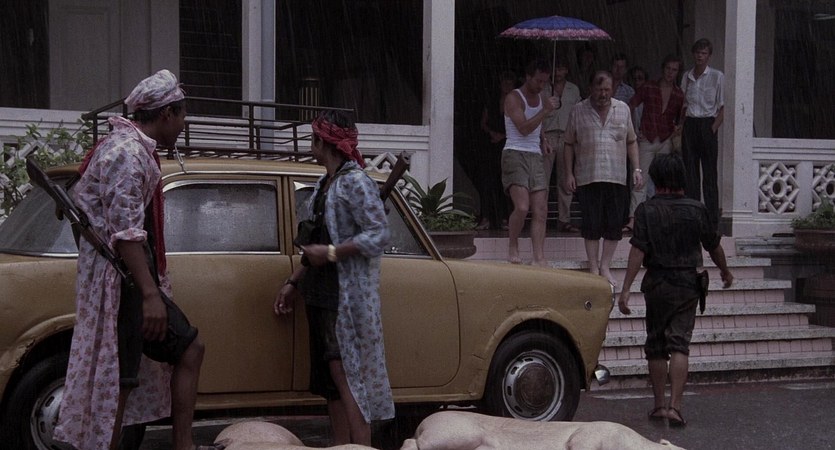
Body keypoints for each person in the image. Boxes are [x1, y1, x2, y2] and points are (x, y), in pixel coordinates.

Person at [54, 70, 219, 450]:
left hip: (131, 278)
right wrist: (149, 296)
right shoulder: (126, 154)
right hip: (121, 284)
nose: (183, 124)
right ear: (167, 113)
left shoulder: (131, 148)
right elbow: (126, 232)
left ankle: (183, 445)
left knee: (183, 350)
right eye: (182, 115)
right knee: (119, 382)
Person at [274, 110, 394, 446]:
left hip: (343, 297)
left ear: (322, 142)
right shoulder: (325, 183)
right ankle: (343, 445)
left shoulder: (355, 182)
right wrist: (294, 281)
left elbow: (379, 235)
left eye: (313, 138)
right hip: (319, 292)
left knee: (347, 377)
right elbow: (315, 241)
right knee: (331, 381)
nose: (310, 145)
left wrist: (331, 253)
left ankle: (361, 445)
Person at [617, 153, 733, 427]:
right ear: (682, 178)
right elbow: (713, 245)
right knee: (680, 343)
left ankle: (658, 406)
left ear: (655, 179)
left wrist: (626, 289)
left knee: (657, 345)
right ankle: (675, 408)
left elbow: (637, 250)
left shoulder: (645, 211)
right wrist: (725, 271)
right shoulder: (697, 209)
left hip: (657, 283)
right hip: (687, 284)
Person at [564, 71, 642, 286]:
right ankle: (593, 266)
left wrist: (637, 169)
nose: (603, 94)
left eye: (607, 90)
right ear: (591, 89)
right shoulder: (578, 110)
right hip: (587, 176)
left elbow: (631, 141)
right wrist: (569, 173)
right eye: (599, 90)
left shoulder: (623, 109)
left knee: (614, 224)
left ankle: (605, 266)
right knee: (591, 223)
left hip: (616, 176)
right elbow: (568, 143)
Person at [502, 59, 559, 266]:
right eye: (538, 81)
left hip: (535, 154)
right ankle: (513, 244)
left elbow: (537, 126)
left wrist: (544, 139)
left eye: (544, 82)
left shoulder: (542, 97)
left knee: (541, 209)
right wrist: (545, 111)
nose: (541, 85)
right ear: (528, 77)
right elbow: (524, 128)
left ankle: (538, 256)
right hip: (515, 153)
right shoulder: (513, 98)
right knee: (522, 207)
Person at [625, 55, 686, 232]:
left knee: (665, 180)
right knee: (640, 179)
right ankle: (633, 218)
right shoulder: (649, 87)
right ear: (663, 68)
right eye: (668, 69)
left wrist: (677, 129)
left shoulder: (678, 94)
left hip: (666, 139)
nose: (670, 73)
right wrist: (634, 129)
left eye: (674, 70)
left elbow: (681, 118)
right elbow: (631, 105)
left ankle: (663, 217)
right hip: (647, 137)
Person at [680, 38, 724, 231]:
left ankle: (712, 219)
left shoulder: (717, 76)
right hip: (690, 123)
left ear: (709, 56)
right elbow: (683, 104)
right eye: (698, 52)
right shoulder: (687, 76)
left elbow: (723, 107)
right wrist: (681, 125)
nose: (700, 56)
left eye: (704, 53)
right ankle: (692, 214)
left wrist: (712, 128)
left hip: (707, 123)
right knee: (690, 172)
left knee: (709, 173)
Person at [542, 56, 582, 233]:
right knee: (543, 179)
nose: (558, 72)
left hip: (566, 136)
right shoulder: (543, 88)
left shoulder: (573, 89)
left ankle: (564, 219)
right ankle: (541, 217)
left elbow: (578, 113)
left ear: (566, 70)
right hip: (548, 135)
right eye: (555, 68)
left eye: (561, 68)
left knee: (566, 179)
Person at [476, 70, 515, 230]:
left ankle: (506, 218)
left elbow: (520, 126)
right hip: (491, 145)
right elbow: (483, 123)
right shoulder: (492, 101)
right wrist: (492, 132)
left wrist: (503, 136)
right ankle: (486, 217)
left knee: (504, 183)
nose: (506, 86)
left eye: (509, 83)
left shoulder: (516, 103)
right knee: (488, 181)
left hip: (508, 145)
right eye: (504, 82)